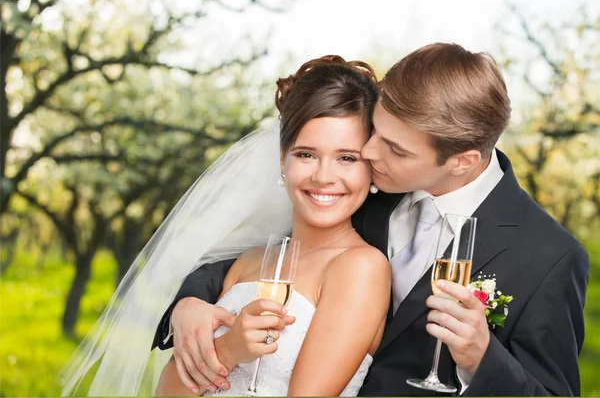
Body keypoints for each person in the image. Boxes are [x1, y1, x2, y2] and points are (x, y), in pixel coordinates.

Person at [153, 43, 590, 396]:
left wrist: (481, 358)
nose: (370, 153)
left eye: (396, 148)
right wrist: (190, 302)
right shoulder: (368, 188)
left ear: (462, 161)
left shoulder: (549, 257)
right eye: (376, 131)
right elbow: (275, 255)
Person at [60, 56, 390, 396]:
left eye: (347, 158)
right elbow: (168, 391)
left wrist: (228, 349)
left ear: (371, 166)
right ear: (282, 159)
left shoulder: (360, 268)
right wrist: (230, 348)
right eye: (306, 154)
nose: (323, 176)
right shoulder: (247, 263)